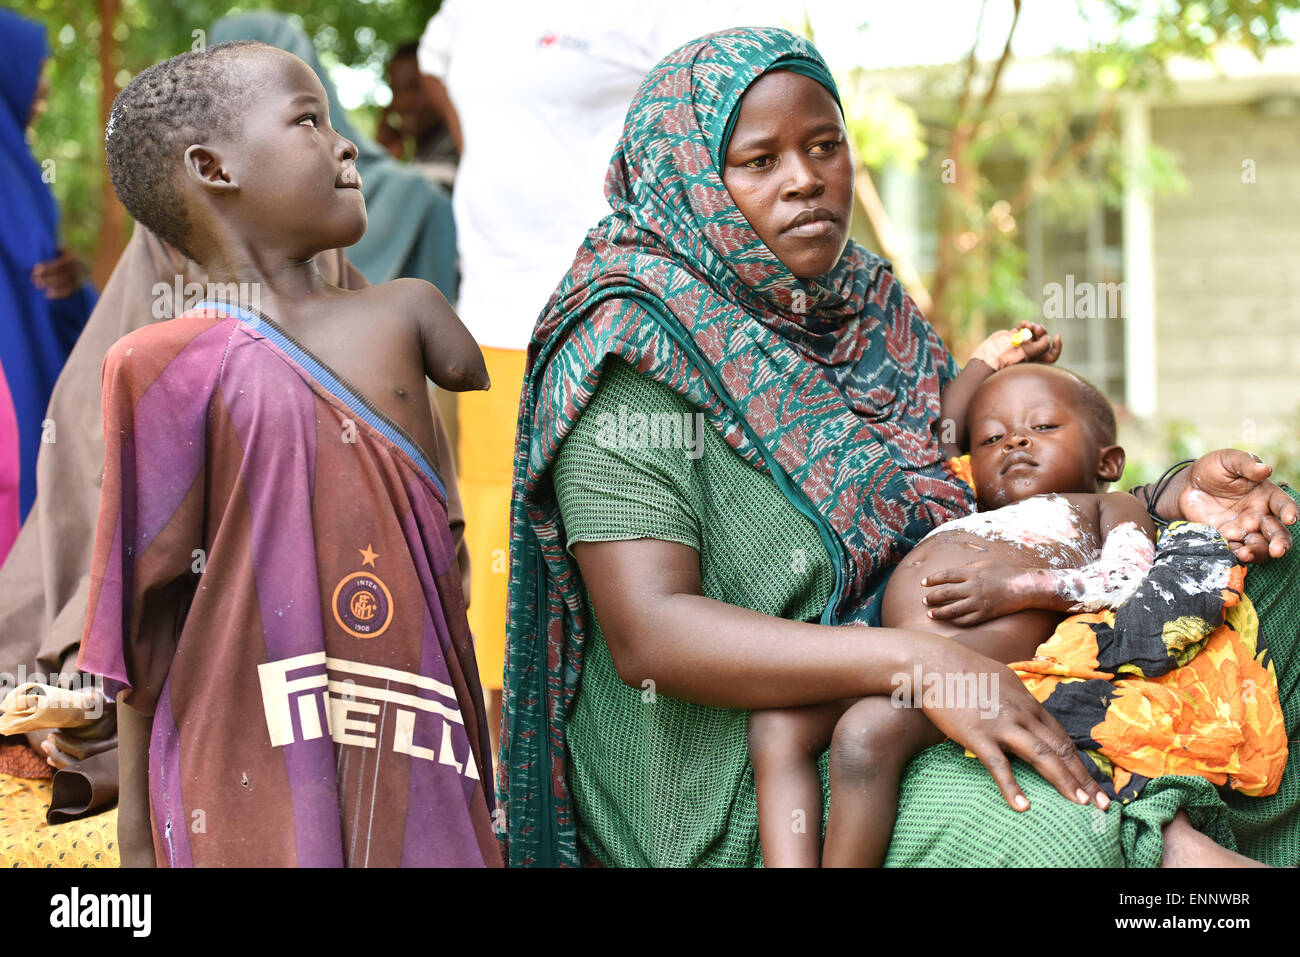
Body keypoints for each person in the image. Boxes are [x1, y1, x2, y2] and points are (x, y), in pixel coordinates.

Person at [499, 27, 1299, 868]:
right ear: (691, 183)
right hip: (756, 763)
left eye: (823, 146)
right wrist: (922, 664)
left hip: (969, 651)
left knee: (1270, 569)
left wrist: (1177, 496)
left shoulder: (865, 307)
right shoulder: (628, 347)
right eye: (759, 160)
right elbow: (651, 636)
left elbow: (991, 484)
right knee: (1062, 841)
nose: (806, 179)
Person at [78, 40, 498, 867]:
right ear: (214, 167)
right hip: (245, 750)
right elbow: (141, 618)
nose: (346, 145)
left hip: (415, 724)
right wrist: (136, 834)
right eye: (310, 121)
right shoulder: (157, 364)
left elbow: (466, 376)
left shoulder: (407, 312)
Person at [416, 0, 757, 769]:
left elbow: (721, 115)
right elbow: (440, 71)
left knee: (622, 538)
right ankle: (509, 782)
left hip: (614, 309)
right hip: (497, 316)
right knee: (498, 549)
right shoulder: (467, 12)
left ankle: (627, 777)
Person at [0, 10, 97, 526]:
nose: (43, 89)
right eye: (36, 69)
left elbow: (43, 271)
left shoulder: (19, 162)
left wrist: (71, 284)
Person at [376, 42, 460, 188]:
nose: (404, 102)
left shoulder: (459, 150)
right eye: (396, 90)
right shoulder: (421, 156)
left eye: (414, 87)